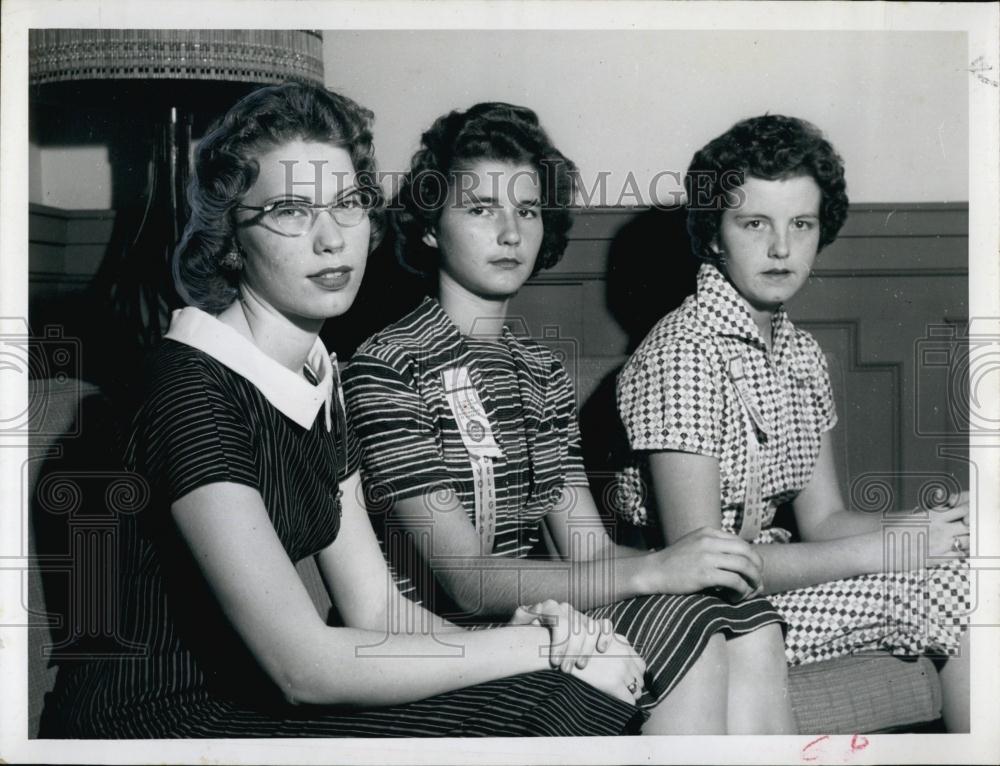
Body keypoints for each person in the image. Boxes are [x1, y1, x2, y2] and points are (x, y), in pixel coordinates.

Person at [39, 82, 651, 738]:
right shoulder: (190, 389)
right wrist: (540, 651)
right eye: (290, 210)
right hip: (157, 724)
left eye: (348, 203)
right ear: (227, 240)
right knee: (567, 697)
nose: (332, 240)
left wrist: (524, 638)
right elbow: (304, 668)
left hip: (253, 706)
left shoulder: (319, 377)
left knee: (570, 691)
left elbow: (379, 606)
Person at [342, 102, 796, 734]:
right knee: (687, 611)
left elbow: (587, 546)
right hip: (437, 646)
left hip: (540, 618)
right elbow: (466, 583)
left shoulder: (539, 371)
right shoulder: (388, 367)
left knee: (742, 617)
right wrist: (657, 567)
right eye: (480, 210)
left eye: (527, 210)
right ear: (428, 227)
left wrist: (686, 573)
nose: (509, 232)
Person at [615, 114, 971, 731]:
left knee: (972, 566)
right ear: (714, 235)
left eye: (801, 224)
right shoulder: (682, 351)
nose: (782, 249)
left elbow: (825, 519)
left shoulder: (799, 353)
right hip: (689, 610)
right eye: (755, 223)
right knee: (968, 594)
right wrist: (897, 549)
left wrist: (935, 525)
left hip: (764, 588)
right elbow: (707, 566)